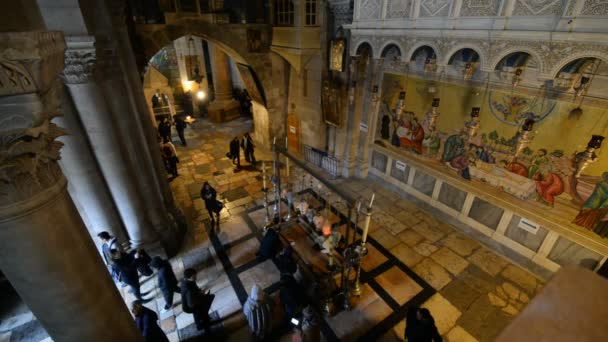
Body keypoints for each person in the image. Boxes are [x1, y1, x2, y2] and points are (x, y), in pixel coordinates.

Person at [181, 268, 215, 332]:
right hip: (191, 306)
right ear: (190, 277)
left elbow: (195, 289)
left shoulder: (187, 280)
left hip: (192, 304)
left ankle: (199, 325)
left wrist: (199, 292)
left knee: (198, 315)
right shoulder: (189, 290)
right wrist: (201, 295)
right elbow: (191, 303)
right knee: (202, 315)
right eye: (194, 276)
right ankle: (207, 329)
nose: (196, 277)